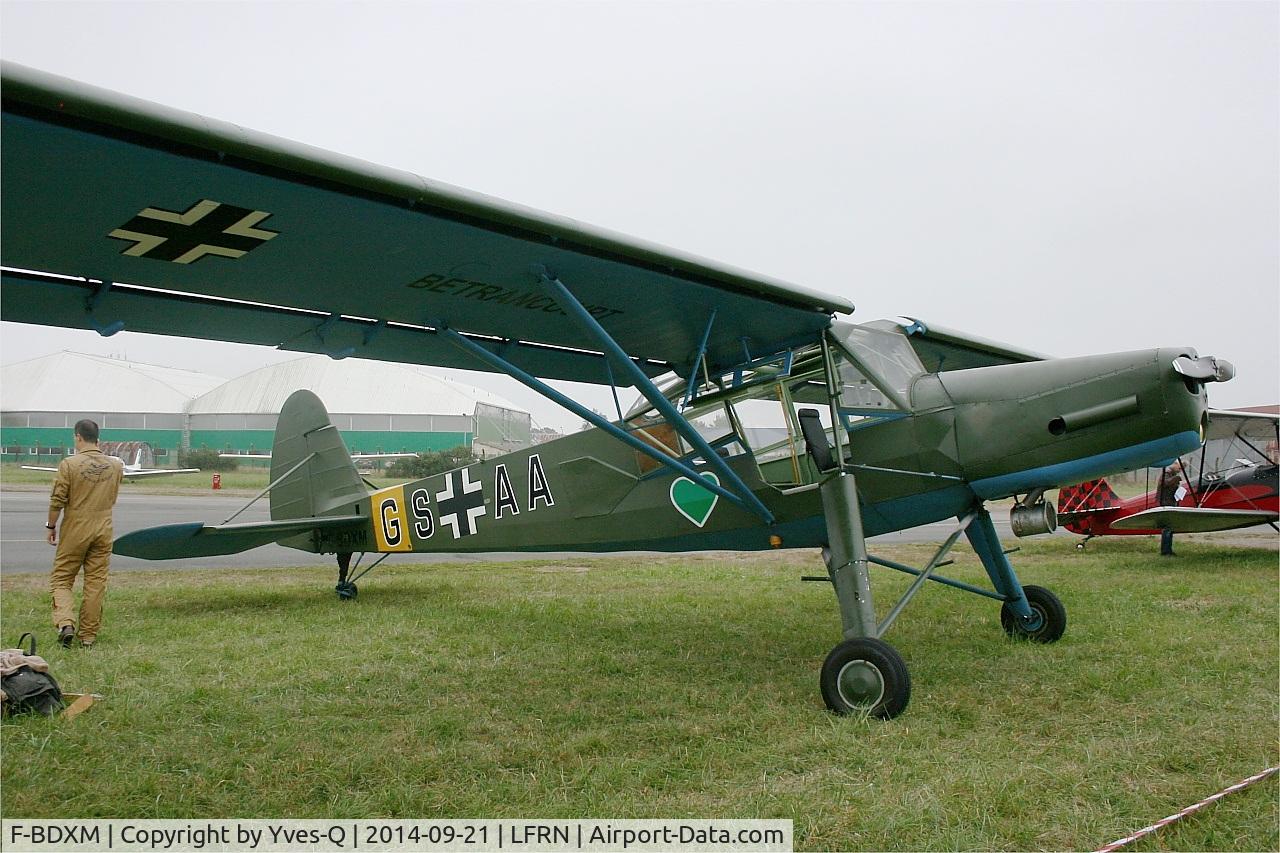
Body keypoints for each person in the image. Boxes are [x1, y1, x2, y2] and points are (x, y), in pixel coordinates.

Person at [46, 419, 124, 648]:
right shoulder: (115, 465)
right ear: (98, 439)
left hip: (76, 526)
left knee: (61, 579)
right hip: (104, 526)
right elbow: (114, 495)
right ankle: (88, 636)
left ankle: (65, 623)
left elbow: (57, 500)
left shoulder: (69, 464)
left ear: (78, 437)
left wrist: (51, 526)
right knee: (96, 582)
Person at [1156, 465, 1183, 557]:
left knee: (1170, 528)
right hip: (1165, 503)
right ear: (1174, 465)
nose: (1180, 470)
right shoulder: (1167, 473)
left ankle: (1168, 550)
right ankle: (1165, 551)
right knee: (1167, 528)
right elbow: (1164, 483)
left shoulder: (1171, 474)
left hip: (1170, 502)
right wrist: (1176, 478)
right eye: (1179, 468)